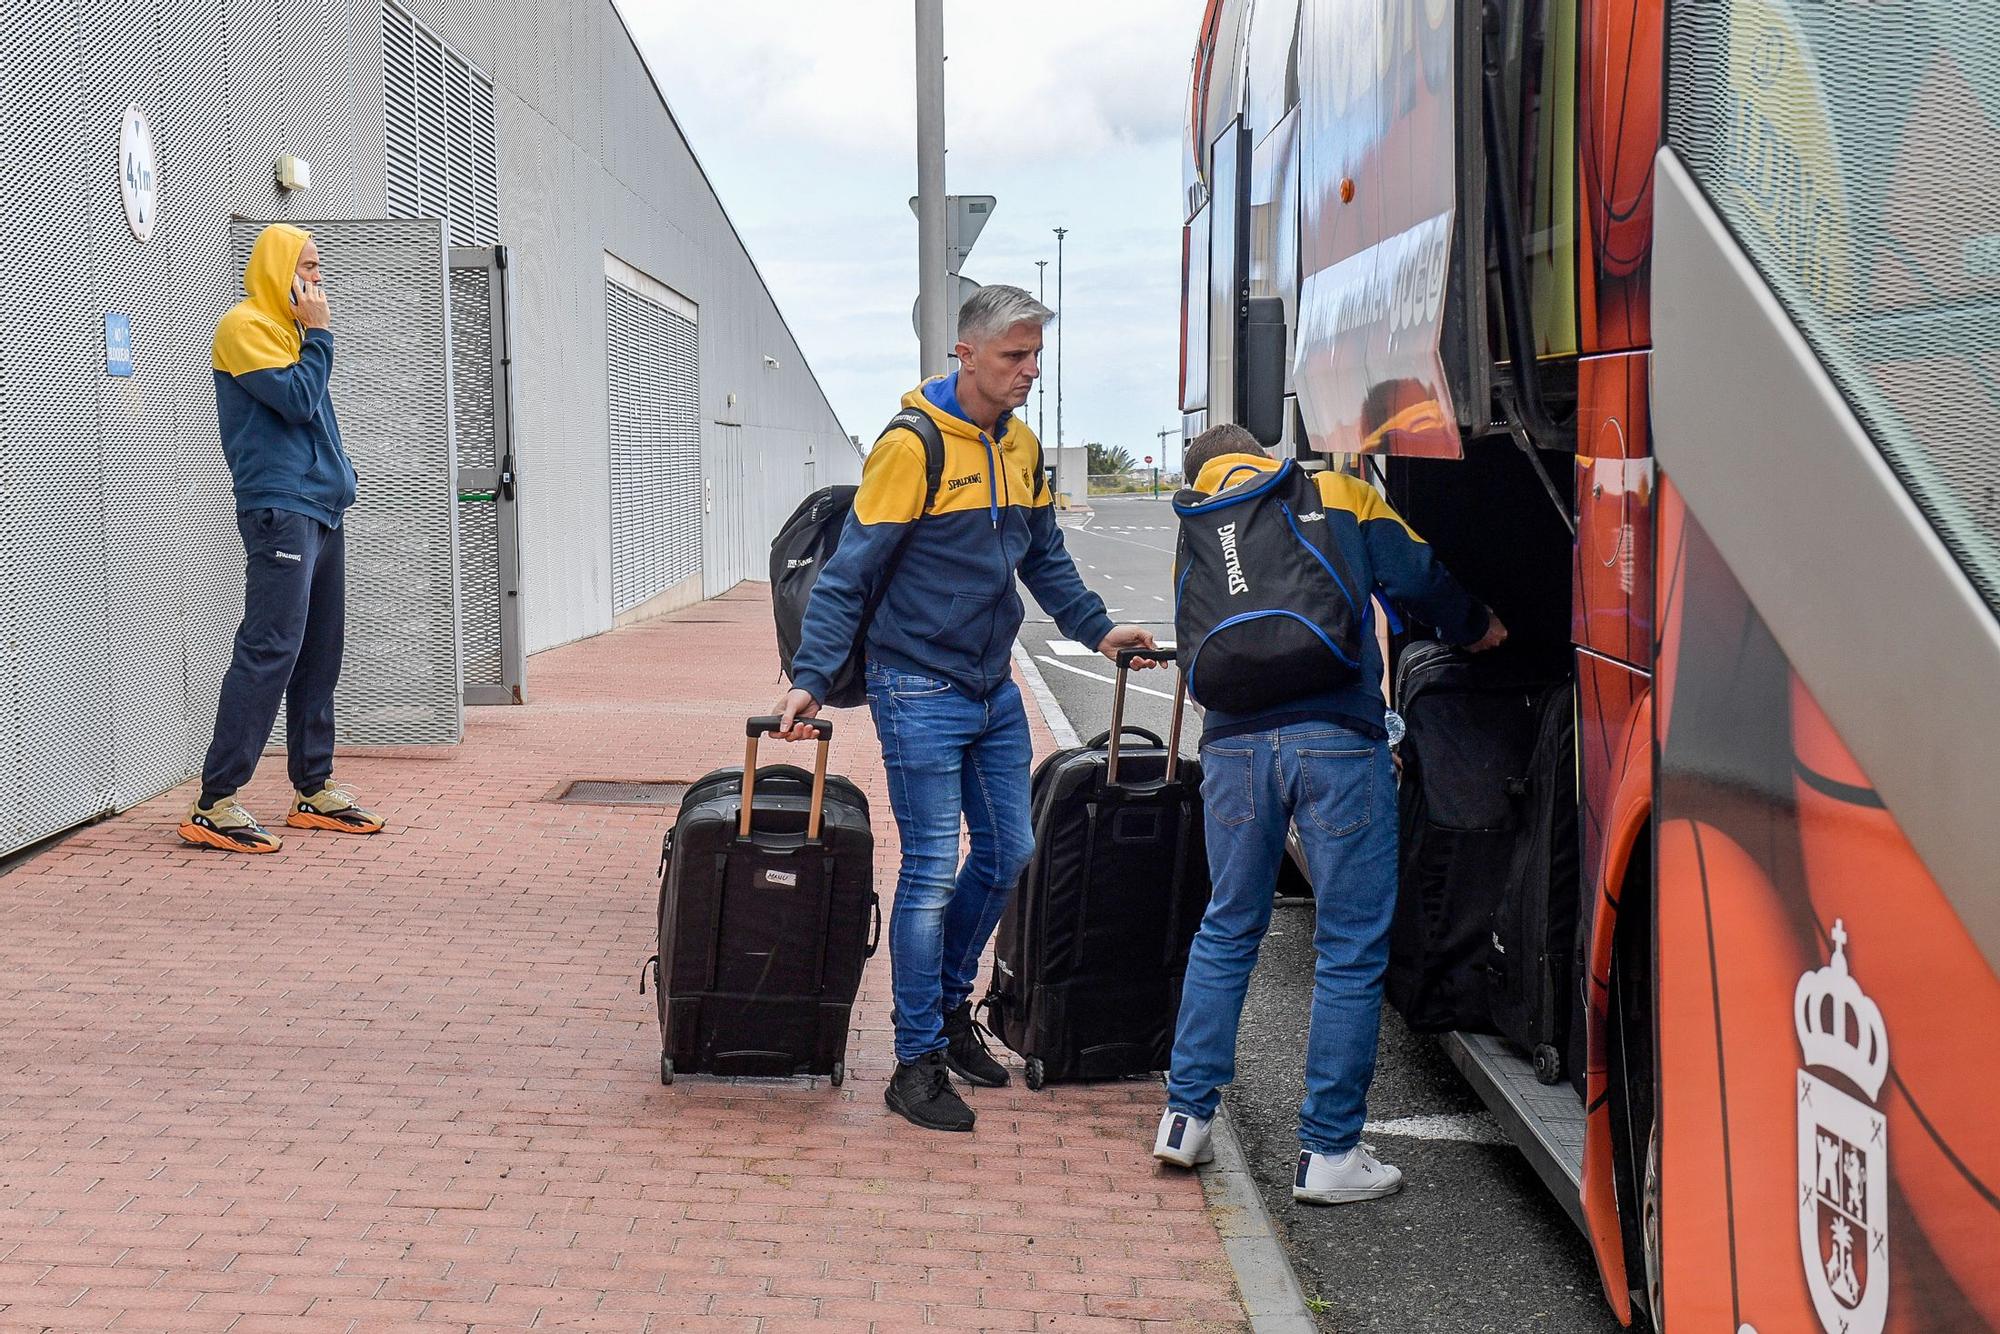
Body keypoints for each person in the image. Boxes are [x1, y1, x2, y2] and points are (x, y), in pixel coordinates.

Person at [776, 285, 1156, 1132]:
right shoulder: (910, 447)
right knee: (927, 873)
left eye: (1036, 357)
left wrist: (1099, 631)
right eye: (1015, 356)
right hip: (917, 685)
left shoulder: (1019, 448)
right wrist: (810, 676)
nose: (1029, 371)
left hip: (991, 686)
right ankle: (913, 1063)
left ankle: (947, 1015)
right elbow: (849, 575)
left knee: (1010, 851)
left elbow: (1045, 556)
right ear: (967, 354)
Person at [1151, 423, 1506, 1202]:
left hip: (1234, 749)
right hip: (1336, 741)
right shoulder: (1331, 491)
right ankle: (1329, 1152)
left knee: (1227, 925)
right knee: (1348, 943)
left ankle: (1185, 1119)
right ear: (1258, 449)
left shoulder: (1197, 525)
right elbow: (1417, 574)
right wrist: (1478, 628)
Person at [179, 224, 381, 854]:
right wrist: (320, 335)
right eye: (310, 267)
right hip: (281, 511)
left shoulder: (292, 334)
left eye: (319, 268)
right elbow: (296, 403)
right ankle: (215, 800)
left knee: (320, 651)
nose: (318, 281)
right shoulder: (244, 329)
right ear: (278, 269)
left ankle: (312, 787)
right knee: (270, 646)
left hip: (321, 510)